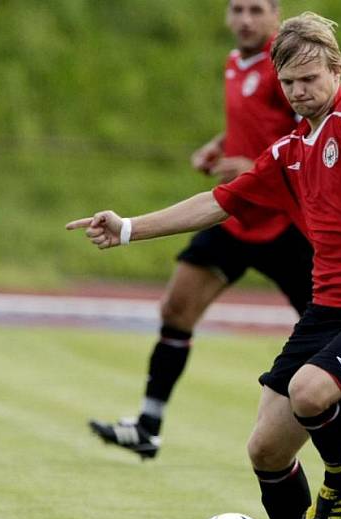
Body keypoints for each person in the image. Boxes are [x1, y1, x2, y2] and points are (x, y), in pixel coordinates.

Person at [67, 12, 341, 519]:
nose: (299, 91)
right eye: (289, 82)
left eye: (310, 77)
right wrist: (130, 227)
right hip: (326, 307)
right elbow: (218, 201)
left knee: (311, 392)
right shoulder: (289, 150)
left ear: (338, 70)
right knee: (265, 448)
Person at [88, 0, 313, 461]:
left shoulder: (287, 68)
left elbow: (309, 135)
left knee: (334, 331)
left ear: (276, 13)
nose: (245, 19)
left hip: (284, 222)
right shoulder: (236, 61)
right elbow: (253, 121)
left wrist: (254, 166)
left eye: (256, 9)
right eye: (237, 9)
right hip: (235, 219)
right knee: (176, 307)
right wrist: (218, 146)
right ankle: (148, 425)